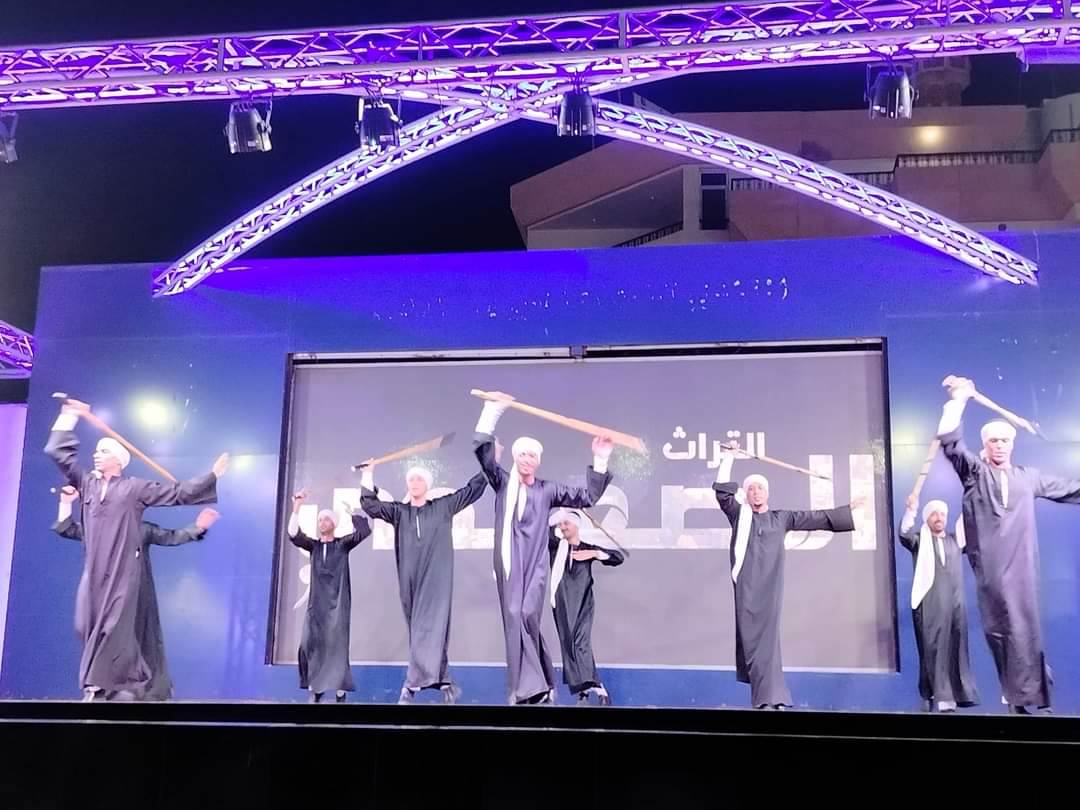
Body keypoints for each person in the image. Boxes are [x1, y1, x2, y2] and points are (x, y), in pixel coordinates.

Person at [45, 397, 227, 701]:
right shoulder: (87, 485)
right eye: (96, 451)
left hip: (123, 574)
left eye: (104, 451)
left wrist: (212, 477)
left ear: (118, 460)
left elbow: (176, 494)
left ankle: (98, 685)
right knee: (85, 624)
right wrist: (69, 416)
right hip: (95, 572)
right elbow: (57, 453)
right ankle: (111, 682)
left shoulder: (134, 489)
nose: (96, 454)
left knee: (113, 627)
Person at [937, 375, 1080, 713]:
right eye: (994, 440)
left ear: (1012, 444)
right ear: (985, 445)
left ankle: (1024, 695)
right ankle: (1017, 692)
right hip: (992, 568)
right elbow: (950, 442)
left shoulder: (1027, 477)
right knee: (1002, 627)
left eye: (1005, 440)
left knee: (1026, 627)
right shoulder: (975, 473)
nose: (999, 445)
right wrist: (958, 400)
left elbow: (1072, 489)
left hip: (1023, 566)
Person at [473, 392, 614, 704]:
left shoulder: (547, 490)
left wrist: (601, 458)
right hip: (509, 564)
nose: (527, 459)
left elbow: (588, 497)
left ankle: (537, 684)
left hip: (535, 565)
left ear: (538, 461)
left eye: (532, 456)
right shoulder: (502, 483)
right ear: (515, 458)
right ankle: (531, 688)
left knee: (527, 615)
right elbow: (482, 451)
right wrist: (492, 412)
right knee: (515, 617)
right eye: (522, 454)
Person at [712, 442, 859, 709]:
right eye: (751, 488)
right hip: (747, 586)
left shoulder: (781, 518)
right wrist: (728, 457)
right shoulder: (740, 516)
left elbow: (815, 518)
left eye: (760, 488)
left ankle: (770, 699)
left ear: (767, 493)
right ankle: (770, 698)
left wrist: (847, 509)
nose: (756, 492)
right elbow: (723, 494)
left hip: (770, 587)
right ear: (746, 494)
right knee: (752, 642)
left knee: (767, 642)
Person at [52, 485, 220, 701]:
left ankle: (133, 688)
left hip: (132, 595)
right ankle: (100, 685)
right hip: (103, 596)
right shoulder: (98, 529)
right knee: (100, 633)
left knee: (135, 637)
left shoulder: (141, 530)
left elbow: (171, 537)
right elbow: (67, 529)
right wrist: (66, 503)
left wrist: (198, 527)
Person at [359, 463, 487, 704]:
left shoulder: (443, 506)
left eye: (419, 479)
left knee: (427, 627)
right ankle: (445, 681)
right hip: (410, 577)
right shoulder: (399, 512)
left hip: (436, 577)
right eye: (411, 479)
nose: (415, 483)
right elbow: (370, 506)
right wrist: (368, 474)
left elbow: (472, 490)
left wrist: (488, 461)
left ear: (427, 484)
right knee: (420, 627)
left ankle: (411, 685)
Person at [288, 489, 372, 702]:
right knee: (308, 644)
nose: (322, 522)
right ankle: (316, 687)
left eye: (326, 519)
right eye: (320, 519)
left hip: (338, 604)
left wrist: (352, 513)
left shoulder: (342, 545)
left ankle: (340, 690)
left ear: (334, 523)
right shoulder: (313, 546)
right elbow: (293, 534)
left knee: (336, 647)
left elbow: (364, 532)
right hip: (316, 606)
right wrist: (297, 507)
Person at [898, 494, 978, 712]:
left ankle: (951, 694)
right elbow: (904, 533)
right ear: (927, 518)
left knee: (955, 648)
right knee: (932, 648)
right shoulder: (919, 540)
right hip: (930, 604)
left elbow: (967, 520)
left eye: (942, 514)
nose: (939, 518)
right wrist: (910, 510)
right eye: (934, 514)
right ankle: (939, 696)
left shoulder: (955, 540)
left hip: (955, 605)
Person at [547, 508, 624, 705]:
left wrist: (595, 553)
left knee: (580, 643)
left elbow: (618, 557)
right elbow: (544, 528)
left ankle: (598, 688)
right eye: (560, 524)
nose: (562, 527)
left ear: (576, 525)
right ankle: (585, 692)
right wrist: (562, 508)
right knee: (569, 646)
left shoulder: (588, 548)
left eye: (566, 523)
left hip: (583, 604)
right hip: (562, 604)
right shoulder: (556, 547)